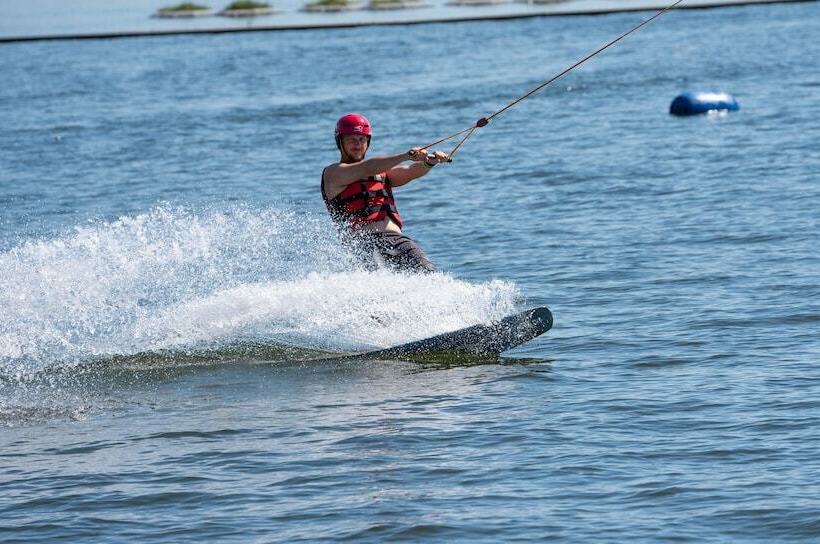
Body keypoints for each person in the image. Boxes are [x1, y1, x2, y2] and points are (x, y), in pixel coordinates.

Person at [321, 113, 449, 273]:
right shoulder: (333, 174)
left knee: (431, 276)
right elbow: (367, 167)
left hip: (398, 241)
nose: (357, 143)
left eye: (362, 139)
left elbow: (410, 172)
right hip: (363, 244)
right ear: (340, 141)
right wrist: (405, 156)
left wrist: (430, 162)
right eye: (351, 139)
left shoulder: (381, 173)